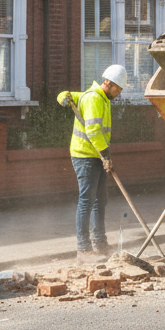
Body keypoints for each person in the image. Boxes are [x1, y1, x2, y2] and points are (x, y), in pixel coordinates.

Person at [57, 64, 127, 264]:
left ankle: (99, 242)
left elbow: (68, 94)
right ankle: (84, 249)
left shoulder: (99, 97)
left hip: (96, 155)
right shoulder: (94, 98)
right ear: (108, 83)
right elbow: (94, 131)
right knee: (87, 200)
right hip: (84, 155)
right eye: (118, 89)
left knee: (100, 200)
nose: (119, 93)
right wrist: (106, 155)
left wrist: (63, 95)